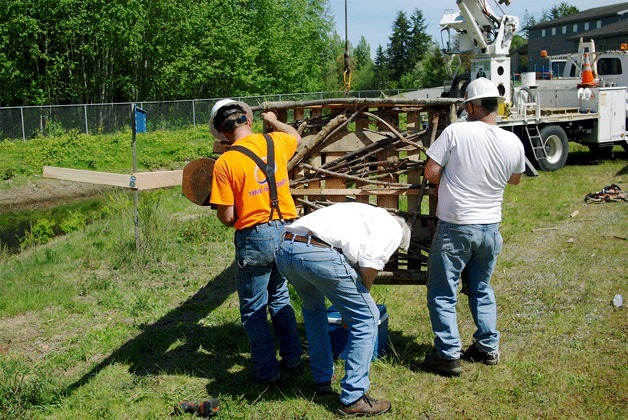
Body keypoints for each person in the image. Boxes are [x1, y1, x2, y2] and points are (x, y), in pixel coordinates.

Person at [422, 77, 525, 376]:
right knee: (481, 287)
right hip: (491, 227)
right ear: (496, 105)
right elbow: (515, 179)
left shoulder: (457, 132)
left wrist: (455, 180)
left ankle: (448, 354)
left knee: (442, 291)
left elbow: (431, 172)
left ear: (470, 105)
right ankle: (487, 347)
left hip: (456, 226)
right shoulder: (512, 141)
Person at [275, 202, 411, 417]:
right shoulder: (393, 228)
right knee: (367, 318)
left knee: (313, 312)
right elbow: (370, 262)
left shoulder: (365, 215)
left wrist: (349, 306)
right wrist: (360, 303)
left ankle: (322, 381)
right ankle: (354, 397)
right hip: (316, 251)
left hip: (286, 248)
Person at [208, 99, 303, 384]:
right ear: (248, 121)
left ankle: (267, 371)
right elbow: (297, 137)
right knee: (280, 297)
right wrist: (273, 120)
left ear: (223, 133)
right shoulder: (276, 142)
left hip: (255, 237)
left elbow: (227, 216)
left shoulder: (225, 163)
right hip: (287, 230)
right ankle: (294, 357)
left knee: (253, 307)